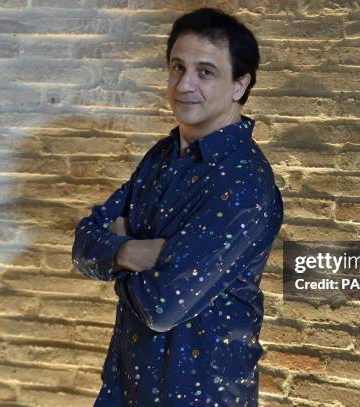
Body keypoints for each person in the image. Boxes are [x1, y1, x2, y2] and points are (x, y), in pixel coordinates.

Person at [71, 7, 283, 407]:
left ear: (239, 85)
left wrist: (115, 258)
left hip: (200, 393)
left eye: (205, 72)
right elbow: (84, 243)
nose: (184, 84)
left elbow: (163, 305)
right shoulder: (162, 155)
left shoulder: (244, 179)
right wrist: (131, 252)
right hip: (124, 385)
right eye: (177, 67)